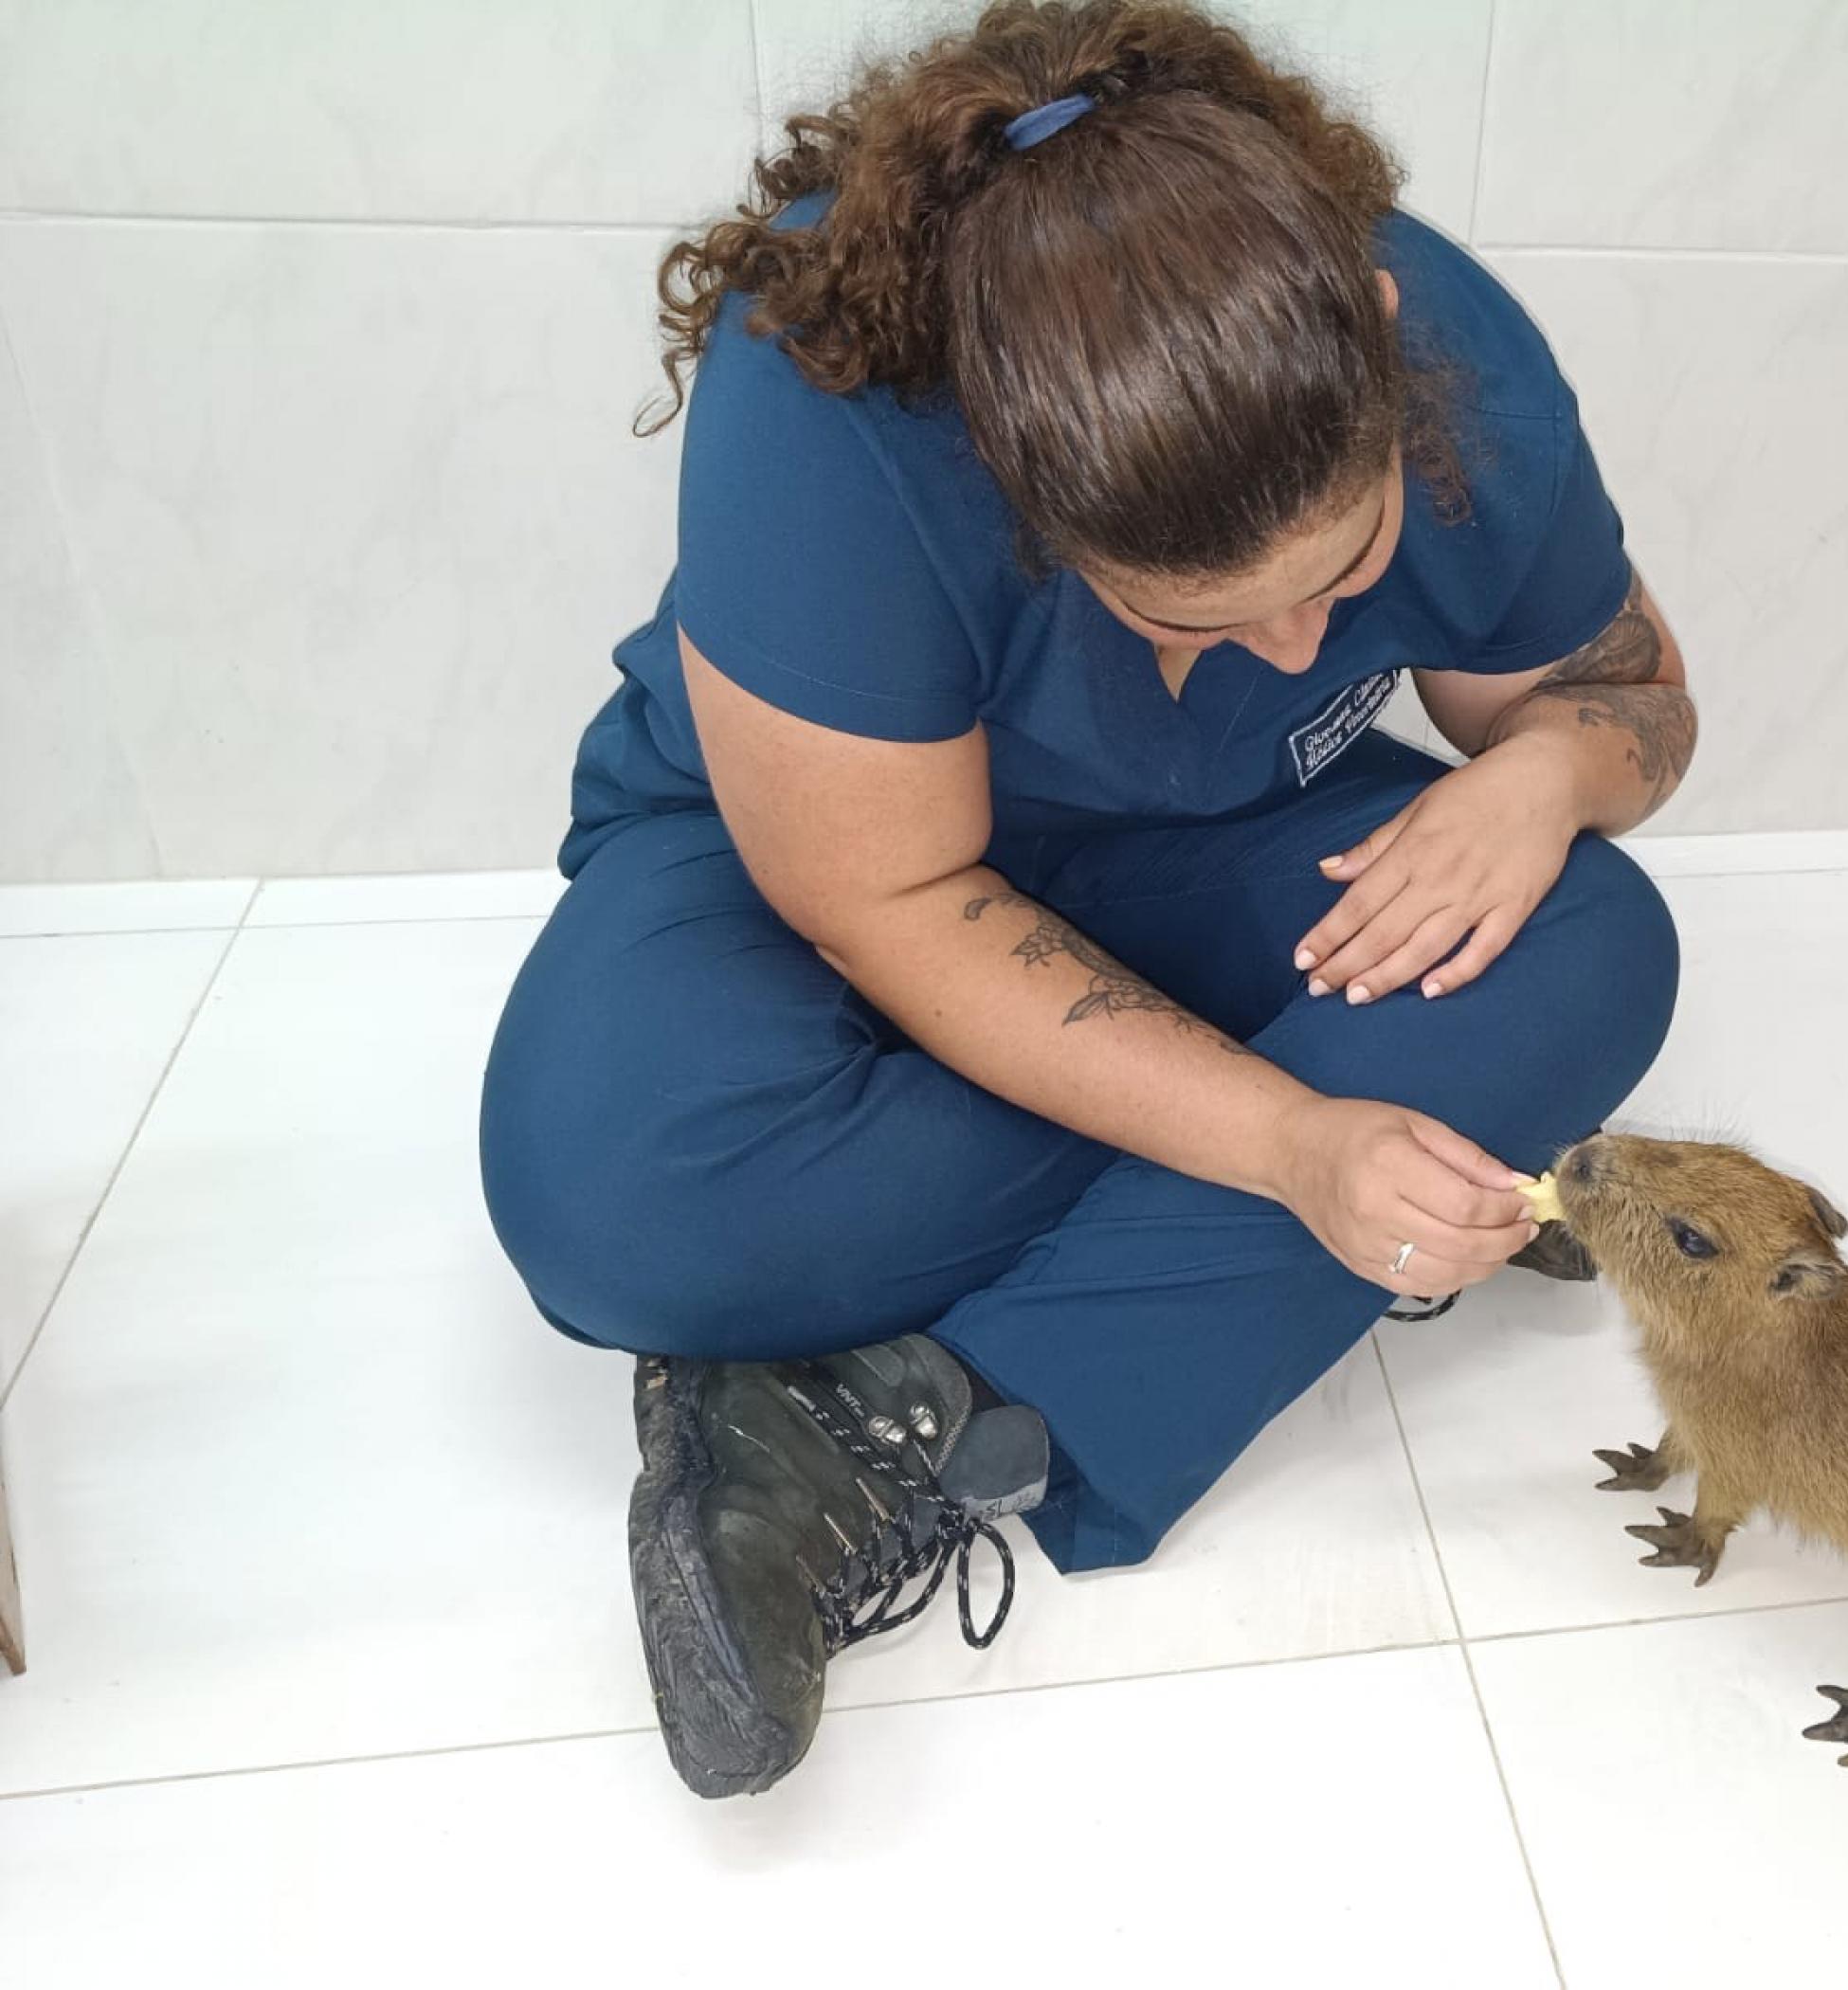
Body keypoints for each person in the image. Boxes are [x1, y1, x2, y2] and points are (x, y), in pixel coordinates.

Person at [478, 0, 1694, 1800]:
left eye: (1347, 567)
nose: (1306, 645)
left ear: (1372, 339)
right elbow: (885, 900)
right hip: (813, 872)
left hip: (1217, 844)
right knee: (615, 1195)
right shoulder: (830, 408)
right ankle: (1332, 1207)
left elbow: (1630, 695)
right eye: (1194, 615)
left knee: (1597, 944)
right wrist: (1291, 1140)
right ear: (1016, 480)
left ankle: (887, 1429)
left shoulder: (1452, 354)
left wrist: (1539, 776)